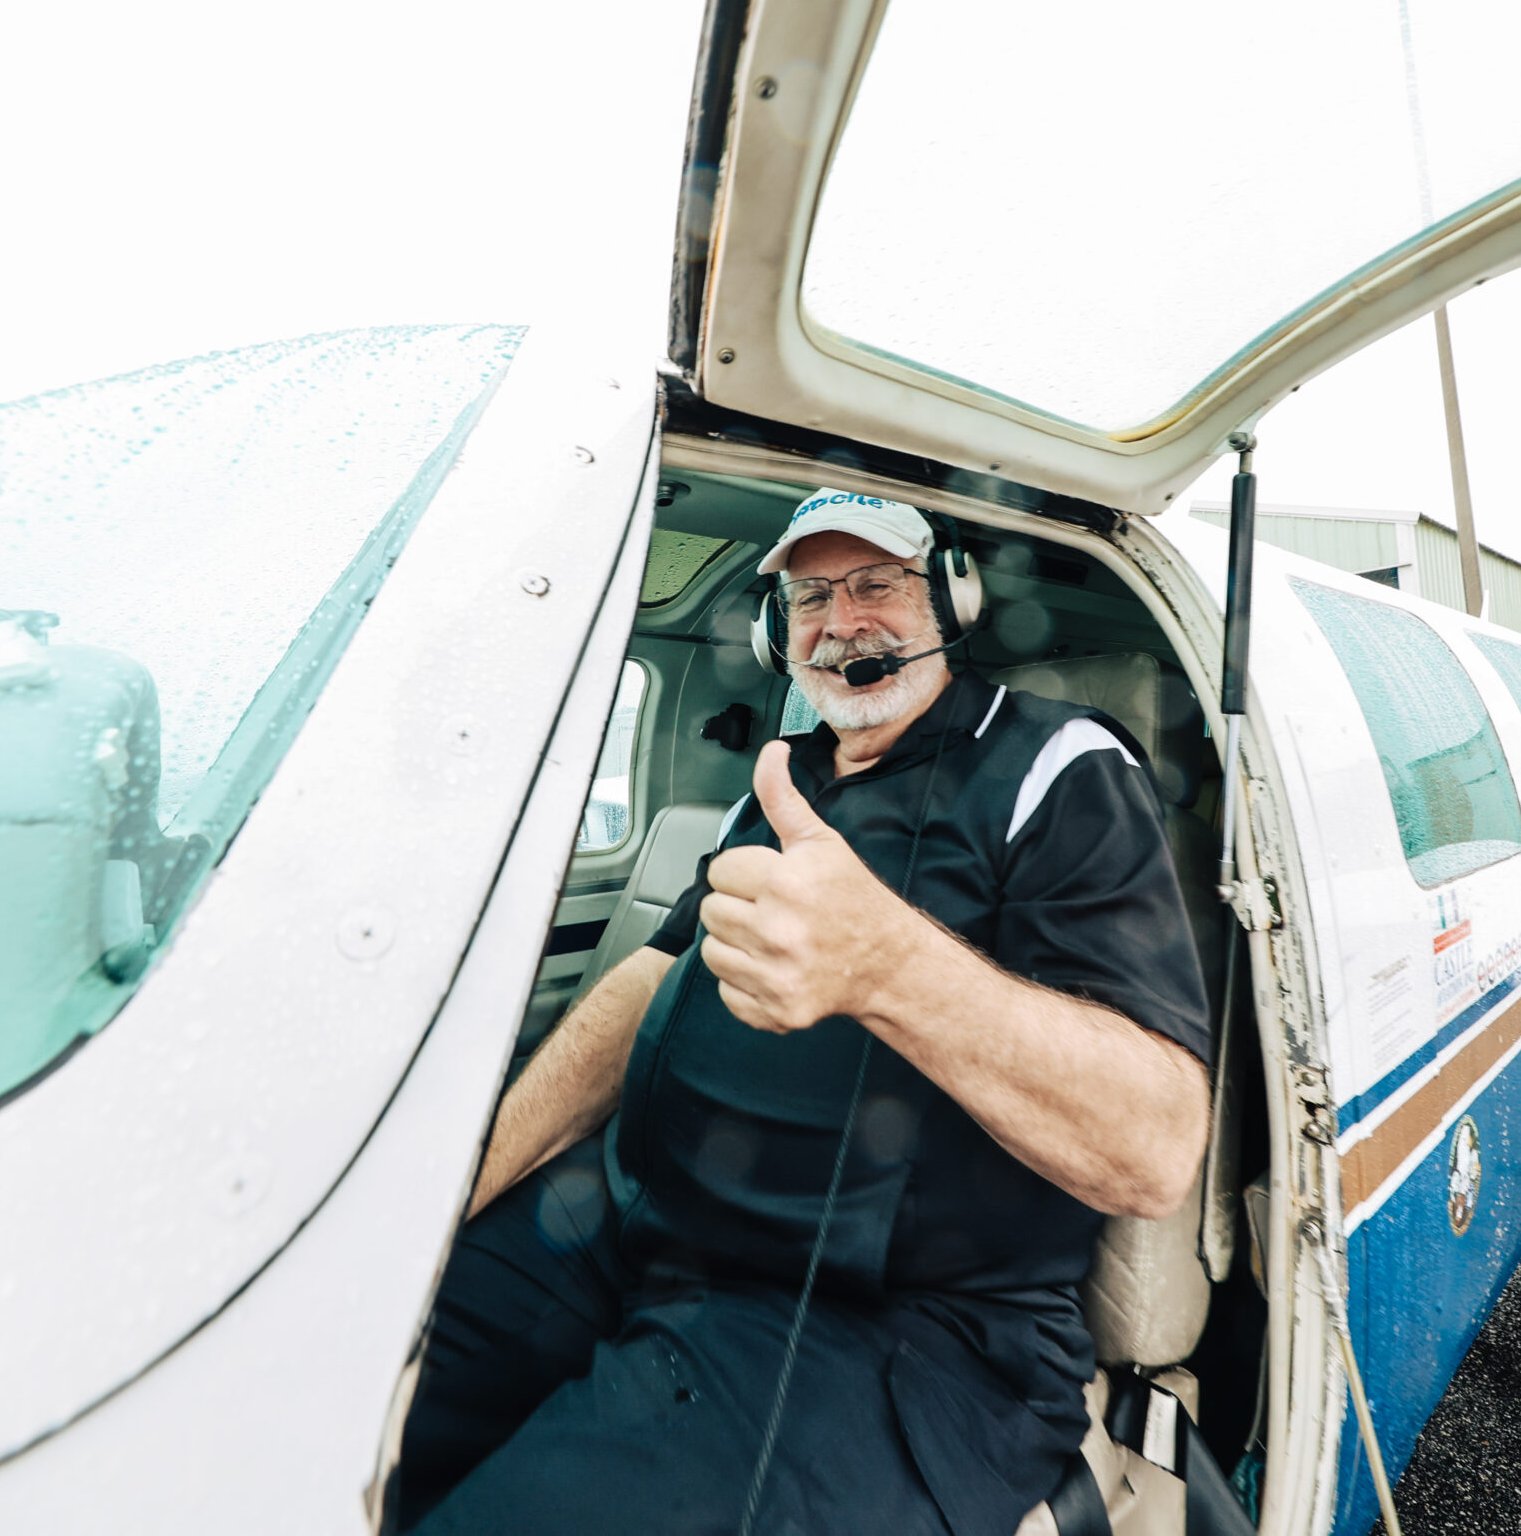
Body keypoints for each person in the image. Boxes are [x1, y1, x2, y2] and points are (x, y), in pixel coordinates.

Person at [387, 490, 1211, 1535]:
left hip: (872, 1322)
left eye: (876, 585)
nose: (842, 622)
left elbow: (1153, 1146)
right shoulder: (780, 786)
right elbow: (649, 977)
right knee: (334, 1377)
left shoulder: (1058, 767)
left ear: (952, 598)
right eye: (811, 596)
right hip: (621, 1228)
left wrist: (891, 967)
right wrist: (460, 1187)